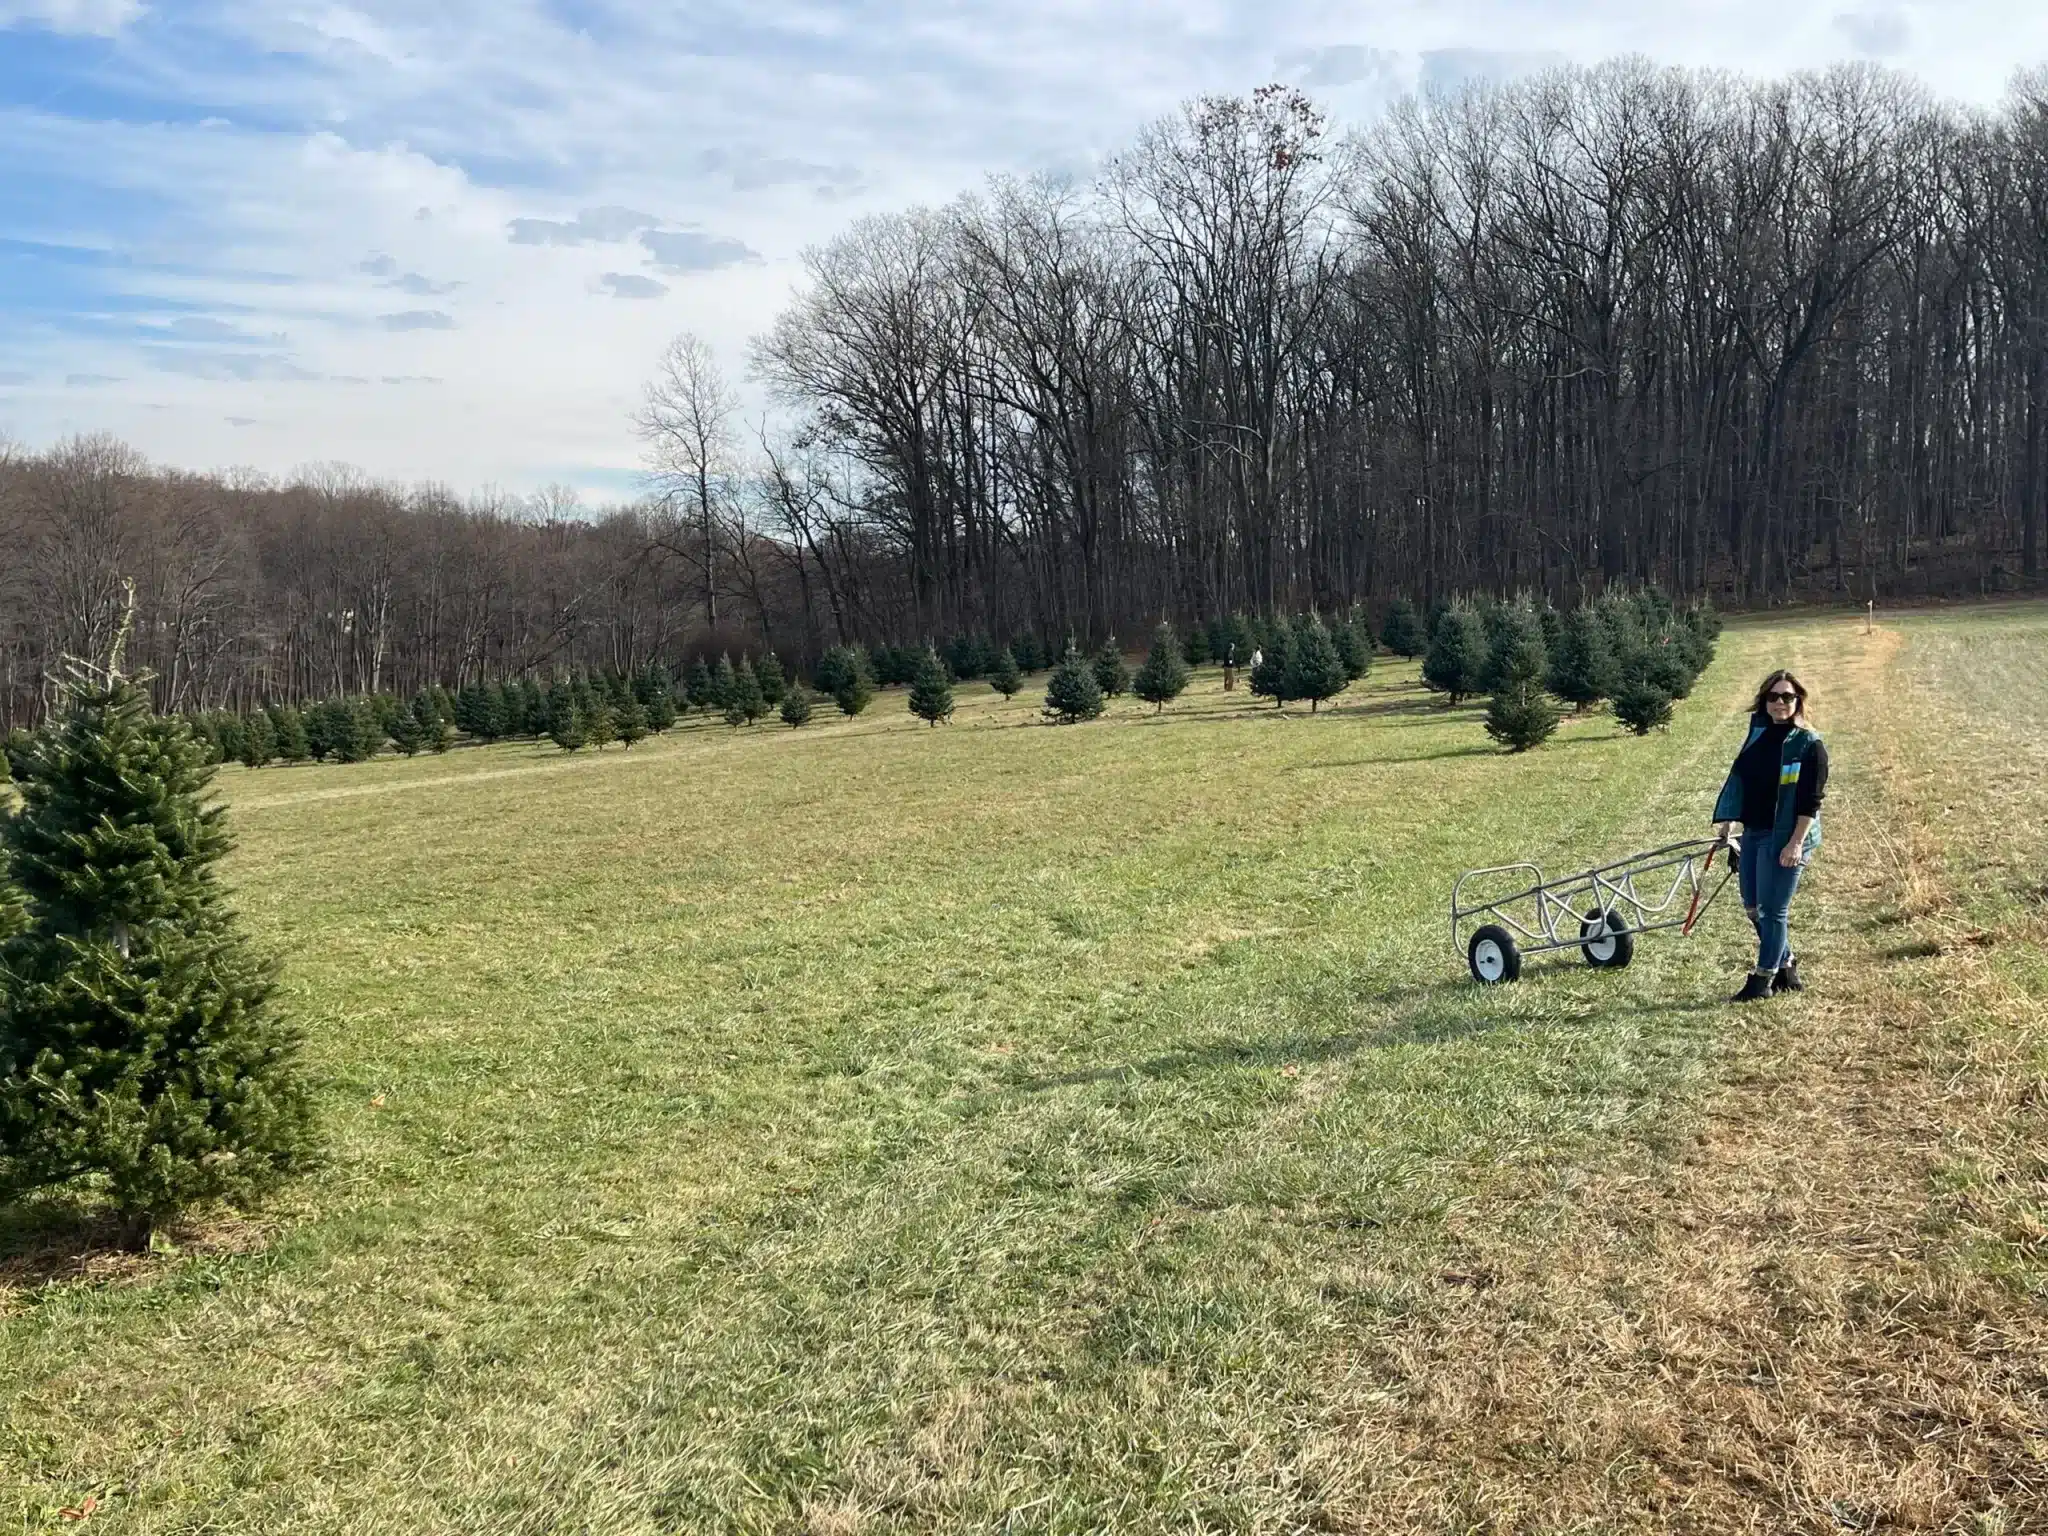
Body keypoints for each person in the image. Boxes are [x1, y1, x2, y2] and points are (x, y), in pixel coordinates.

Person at [1712, 670, 1829, 1002]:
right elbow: (1741, 780)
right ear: (1764, 700)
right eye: (1774, 696)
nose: (1780, 703)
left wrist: (1795, 844)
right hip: (1753, 833)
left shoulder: (1809, 744)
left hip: (1786, 837)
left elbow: (1811, 802)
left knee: (1773, 911)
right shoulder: (1758, 735)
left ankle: (1763, 981)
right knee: (1752, 906)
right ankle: (1786, 963)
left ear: (1798, 701)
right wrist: (1729, 824)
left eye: (1787, 697)